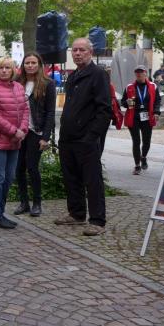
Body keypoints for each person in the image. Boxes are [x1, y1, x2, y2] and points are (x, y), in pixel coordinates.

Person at [55, 38, 112, 237]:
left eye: (82, 50)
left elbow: (105, 110)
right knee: (71, 178)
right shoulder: (73, 76)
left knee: (92, 180)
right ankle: (77, 213)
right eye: (75, 50)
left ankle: (97, 220)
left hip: (86, 138)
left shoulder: (98, 75)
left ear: (90, 52)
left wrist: (92, 135)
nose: (77, 53)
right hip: (68, 137)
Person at [0, 57, 29, 229]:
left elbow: (25, 110)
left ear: (13, 70)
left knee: (9, 178)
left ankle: (0, 213)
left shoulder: (18, 87)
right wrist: (14, 131)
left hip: (14, 140)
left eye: (7, 68)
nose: (4, 71)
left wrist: (22, 130)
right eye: (0, 68)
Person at [14, 53, 56, 217]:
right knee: (18, 168)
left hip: (36, 131)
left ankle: (37, 203)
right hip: (19, 131)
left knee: (32, 167)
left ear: (39, 65)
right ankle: (24, 202)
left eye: (33, 63)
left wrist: (45, 137)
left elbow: (50, 112)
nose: (30, 66)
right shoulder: (17, 82)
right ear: (23, 65)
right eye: (27, 63)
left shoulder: (47, 83)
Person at [121, 65, 162, 175]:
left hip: (147, 116)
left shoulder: (153, 86)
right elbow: (123, 102)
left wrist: (156, 112)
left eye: (141, 72)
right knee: (136, 141)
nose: (139, 74)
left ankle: (143, 157)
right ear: (135, 74)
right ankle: (137, 165)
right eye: (137, 72)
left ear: (145, 73)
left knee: (146, 141)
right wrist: (128, 102)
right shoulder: (129, 87)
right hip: (134, 117)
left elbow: (157, 101)